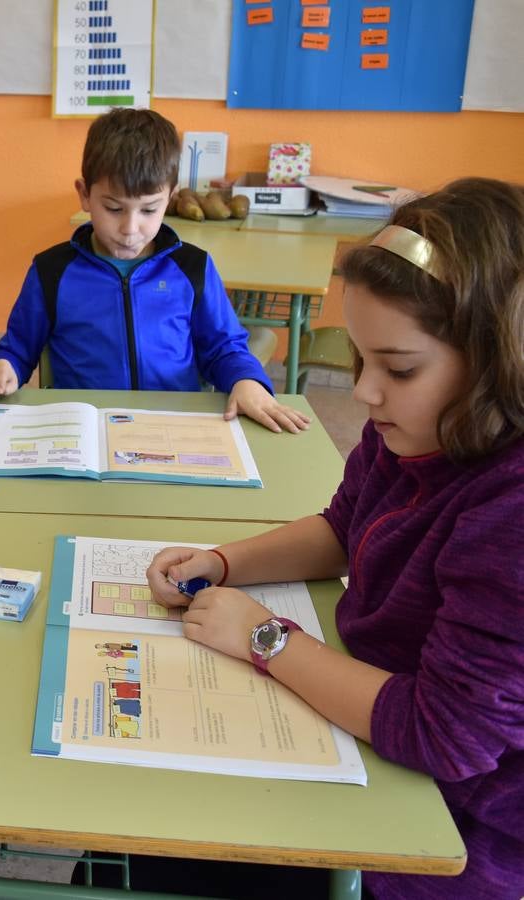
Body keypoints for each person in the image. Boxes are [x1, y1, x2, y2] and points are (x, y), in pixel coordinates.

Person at [143, 178, 524, 898]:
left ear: (500, 363)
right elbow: (345, 526)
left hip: (448, 836)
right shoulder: (417, 427)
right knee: (145, 838)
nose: (363, 393)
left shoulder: (510, 512)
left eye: (399, 368)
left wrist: (267, 639)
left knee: (165, 854)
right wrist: (224, 563)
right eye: (359, 358)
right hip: (362, 718)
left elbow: (444, 735)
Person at [0, 107, 309, 434]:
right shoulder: (52, 270)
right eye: (113, 208)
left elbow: (224, 347)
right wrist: (4, 366)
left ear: (171, 199)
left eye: (149, 209)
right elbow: (19, 347)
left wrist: (245, 380)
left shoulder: (193, 268)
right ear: (84, 195)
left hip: (173, 426)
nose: (130, 228)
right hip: (85, 432)